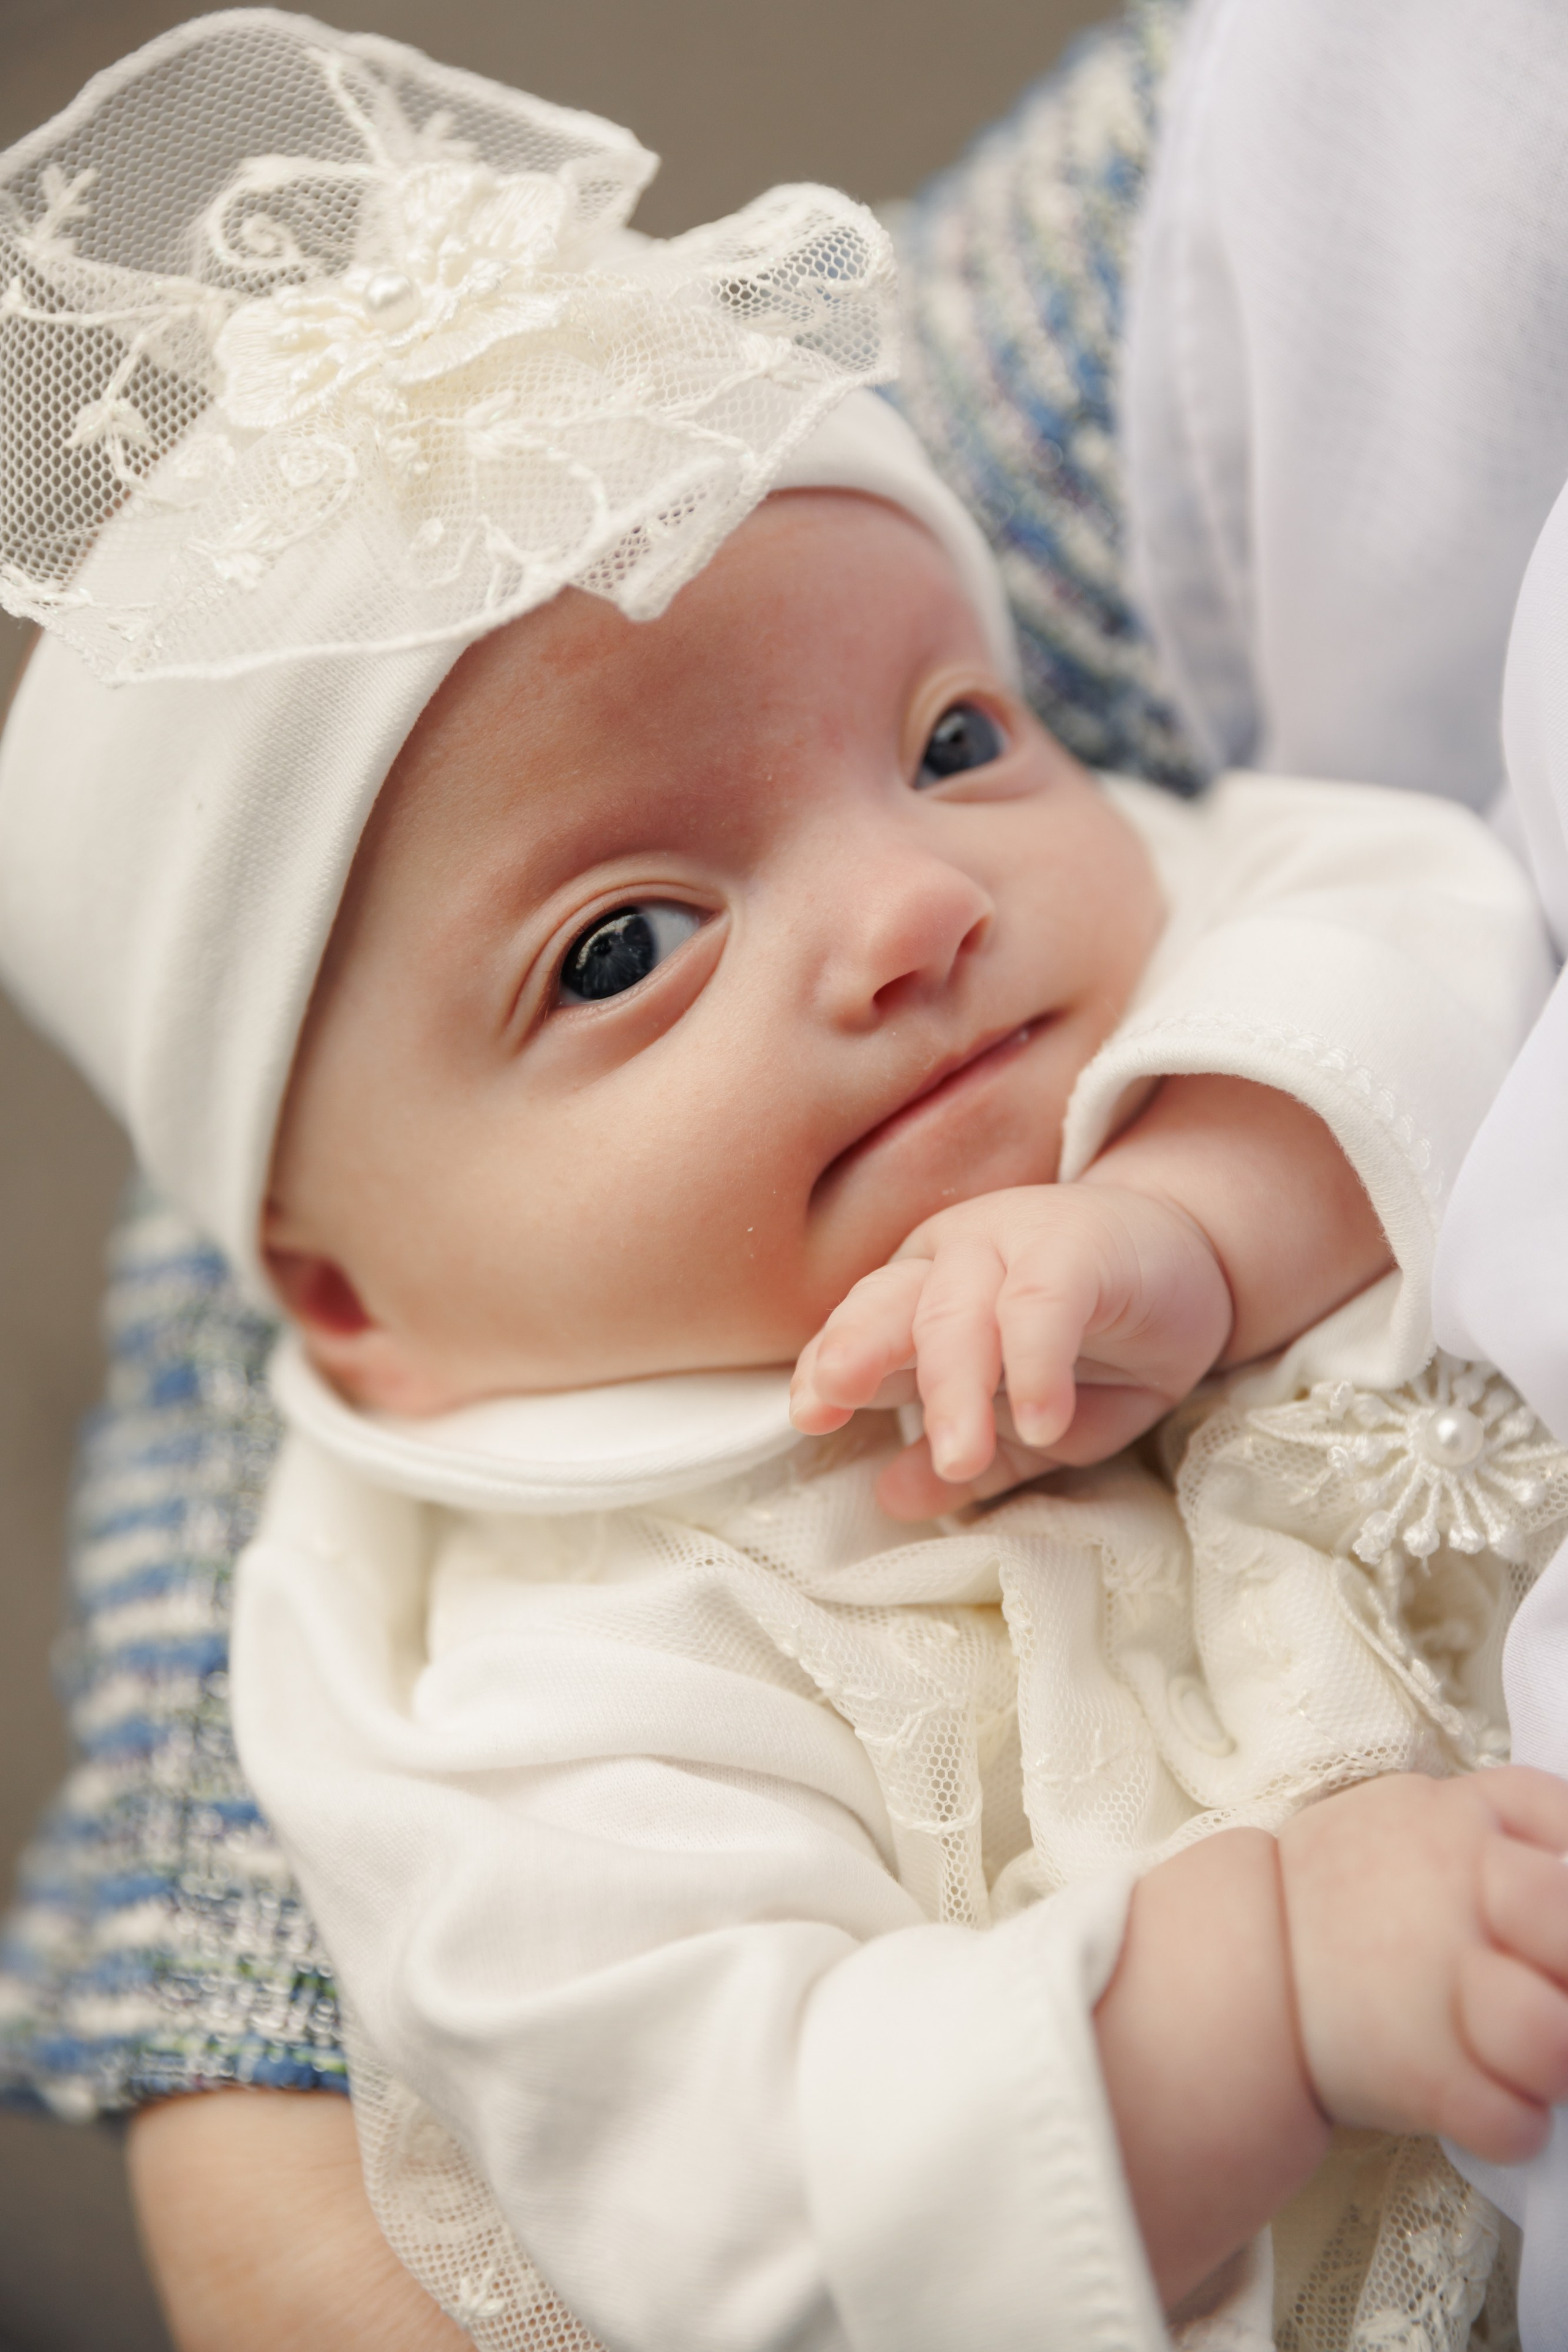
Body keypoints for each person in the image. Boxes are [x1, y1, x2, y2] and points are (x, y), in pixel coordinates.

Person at [1, 18, 1566, 2347]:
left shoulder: (1154, 963)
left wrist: (1197, 1216)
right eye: (625, 944)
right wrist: (1260, 1995)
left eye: (952, 739)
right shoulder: (507, 1675)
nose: (911, 908)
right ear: (345, 1309)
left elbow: (1431, 927)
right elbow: (744, 2196)